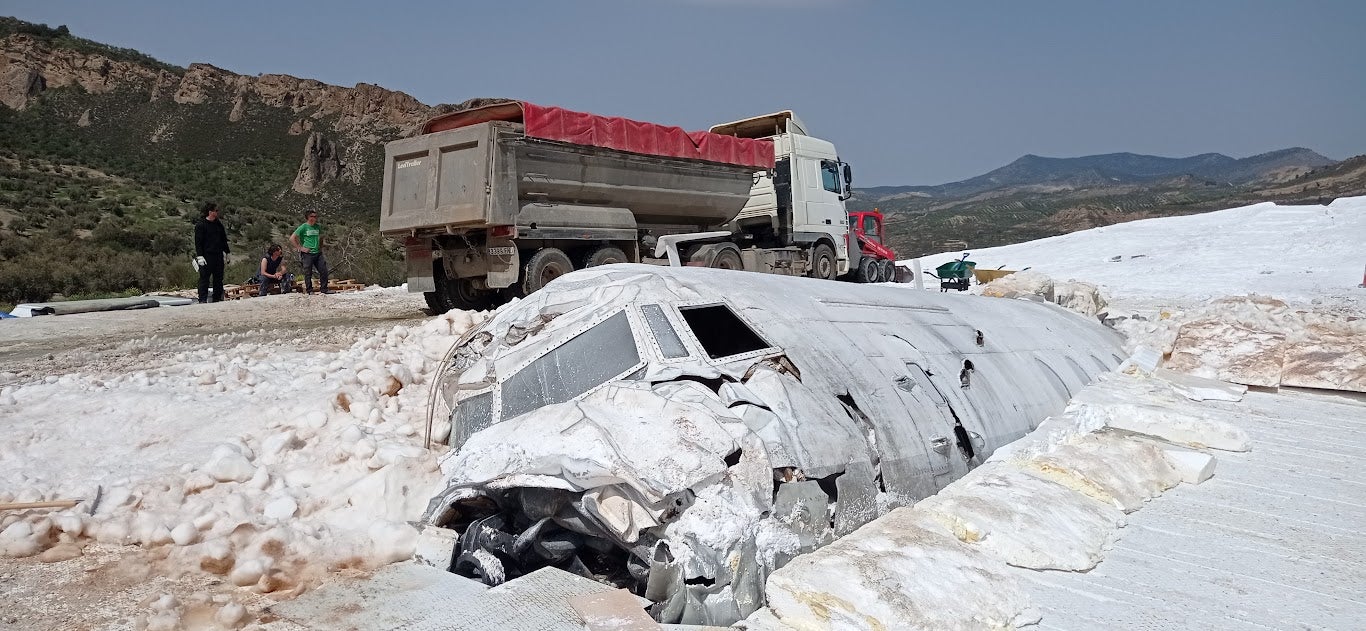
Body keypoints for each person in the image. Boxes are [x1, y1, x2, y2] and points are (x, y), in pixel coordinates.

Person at [193, 201, 230, 303]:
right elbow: (198, 242)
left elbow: (223, 239)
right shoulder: (201, 225)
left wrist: (227, 252)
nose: (217, 212)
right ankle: (202, 300)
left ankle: (217, 298)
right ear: (210, 212)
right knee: (204, 279)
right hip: (206, 256)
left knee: (218, 278)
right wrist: (200, 256)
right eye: (216, 210)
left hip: (218, 255)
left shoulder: (218, 224)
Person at [290, 211, 329, 295]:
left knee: (324, 270)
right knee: (308, 272)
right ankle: (309, 290)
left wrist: (320, 247)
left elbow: (321, 237)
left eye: (316, 216)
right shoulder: (303, 227)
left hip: (318, 253)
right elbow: (292, 238)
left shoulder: (318, 227)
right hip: (308, 253)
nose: (314, 218)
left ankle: (324, 289)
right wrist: (300, 248)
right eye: (312, 216)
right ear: (308, 217)